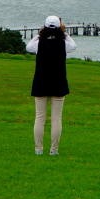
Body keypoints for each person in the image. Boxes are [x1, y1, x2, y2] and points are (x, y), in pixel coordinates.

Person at [27, 16, 77, 155]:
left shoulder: (39, 43)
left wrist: (40, 33)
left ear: (45, 27)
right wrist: (64, 32)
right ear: (59, 27)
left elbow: (28, 47)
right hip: (58, 84)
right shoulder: (63, 43)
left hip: (41, 84)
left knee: (39, 118)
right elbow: (73, 45)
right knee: (56, 119)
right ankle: (54, 150)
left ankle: (38, 150)